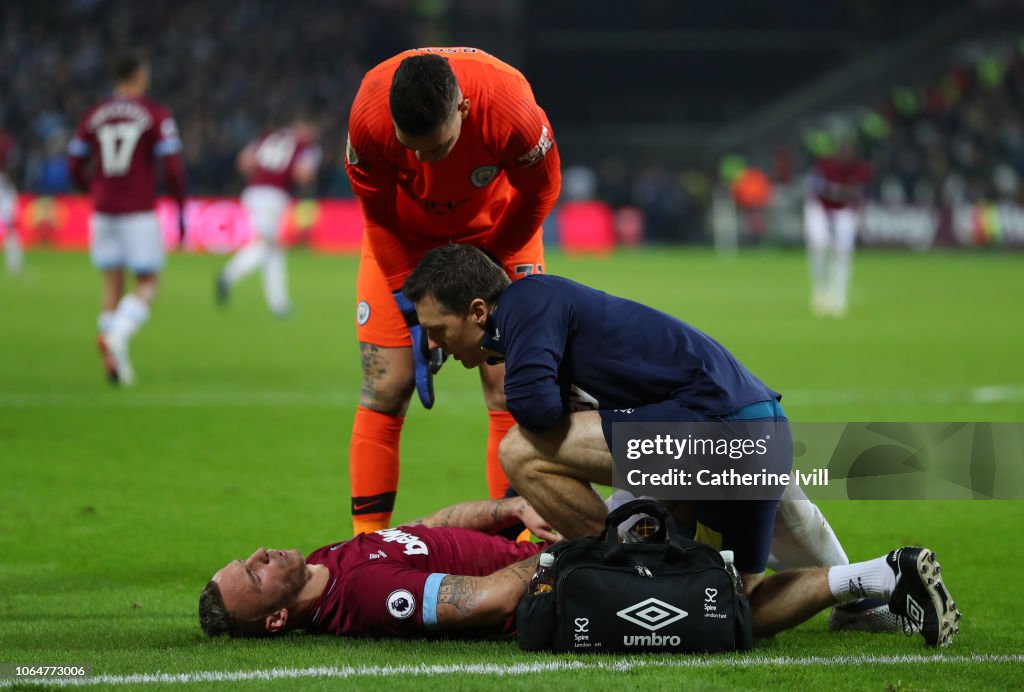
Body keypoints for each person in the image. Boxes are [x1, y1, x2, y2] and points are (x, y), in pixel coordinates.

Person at [401, 244, 960, 646]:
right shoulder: (548, 309)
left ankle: (614, 570)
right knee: (733, 605)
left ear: (478, 311)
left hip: (714, 428)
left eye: (436, 328)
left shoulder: (528, 301)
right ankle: (877, 581)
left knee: (519, 450)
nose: (433, 344)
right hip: (759, 426)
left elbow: (537, 410)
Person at [343, 47, 561, 534]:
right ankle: (366, 547)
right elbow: (377, 215)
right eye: (411, 147)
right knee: (386, 384)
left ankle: (516, 543)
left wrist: (484, 262)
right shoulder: (369, 113)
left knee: (508, 385)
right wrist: (411, 307)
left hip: (499, 233)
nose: (422, 161)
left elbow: (541, 193)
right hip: (403, 238)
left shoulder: (509, 105)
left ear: (462, 109)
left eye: (436, 148)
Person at [199, 496, 556, 638]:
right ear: (276, 618)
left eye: (245, 559)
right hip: (568, 574)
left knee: (603, 422)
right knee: (538, 445)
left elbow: (425, 527)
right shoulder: (365, 594)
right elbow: (497, 598)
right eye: (253, 574)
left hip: (541, 542)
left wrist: (515, 507)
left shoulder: (322, 561)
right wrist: (574, 545)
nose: (258, 553)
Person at [68, 52, 186, 385]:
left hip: (102, 210)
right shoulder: (154, 114)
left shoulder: (93, 114)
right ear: (138, 76)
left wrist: (91, 190)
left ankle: (115, 362)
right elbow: (174, 168)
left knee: (111, 285)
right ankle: (116, 337)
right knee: (148, 283)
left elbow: (74, 163)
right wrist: (178, 210)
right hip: (138, 210)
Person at [216, 116, 322, 317]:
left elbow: (244, 161)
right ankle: (228, 276)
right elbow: (304, 173)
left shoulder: (270, 136)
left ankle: (278, 304)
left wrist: (260, 176)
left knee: (272, 249)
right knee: (270, 247)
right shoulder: (306, 146)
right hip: (274, 197)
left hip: (253, 192)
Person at [803, 139, 872, 317]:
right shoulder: (826, 165)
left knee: (843, 253)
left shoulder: (862, 169)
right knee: (819, 245)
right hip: (820, 207)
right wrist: (837, 191)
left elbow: (862, 193)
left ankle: (839, 296)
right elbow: (814, 186)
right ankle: (819, 290)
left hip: (845, 210)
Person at [0, 128, 23, 275]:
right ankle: (14, 266)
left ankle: (14, 265)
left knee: (11, 228)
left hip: (4, 184)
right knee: (11, 227)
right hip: (4, 185)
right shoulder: (5, 142)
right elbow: (10, 165)